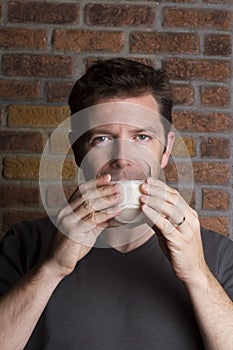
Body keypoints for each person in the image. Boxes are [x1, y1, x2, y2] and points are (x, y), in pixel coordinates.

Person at [0, 58, 233, 350]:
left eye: (142, 137)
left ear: (166, 150)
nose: (122, 157)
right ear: (77, 150)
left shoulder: (220, 257)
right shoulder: (24, 245)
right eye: (102, 138)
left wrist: (198, 275)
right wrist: (52, 268)